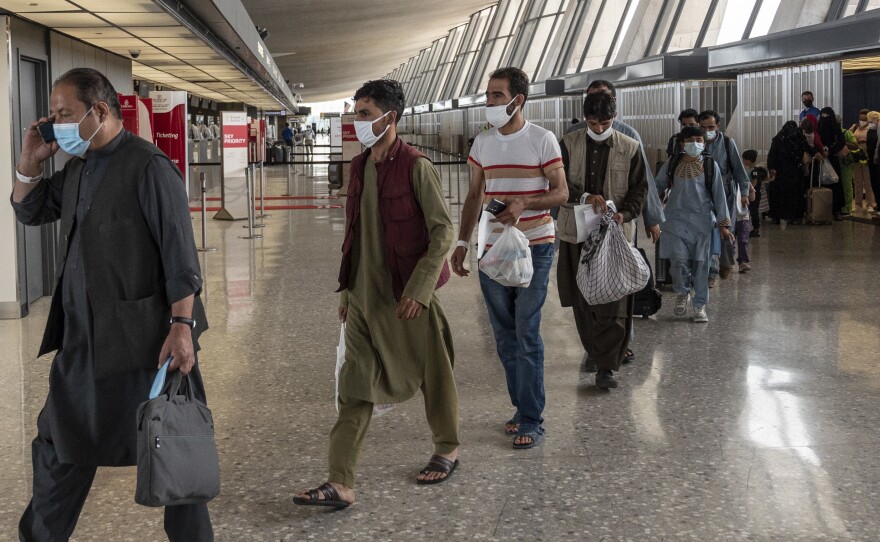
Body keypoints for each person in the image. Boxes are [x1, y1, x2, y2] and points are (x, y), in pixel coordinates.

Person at [11, 68, 212, 541]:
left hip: (147, 346)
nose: (56, 125)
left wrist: (182, 326)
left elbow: (180, 254)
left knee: (173, 448)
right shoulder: (80, 167)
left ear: (99, 111)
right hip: (83, 344)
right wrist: (29, 161)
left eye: (65, 115)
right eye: (53, 116)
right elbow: (30, 208)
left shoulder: (149, 166)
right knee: (60, 445)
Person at [293, 79, 459, 508]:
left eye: (365, 114)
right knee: (354, 384)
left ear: (391, 117)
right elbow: (354, 235)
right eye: (356, 113)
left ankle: (447, 447)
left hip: (407, 295)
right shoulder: (359, 166)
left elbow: (443, 232)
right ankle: (340, 481)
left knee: (434, 375)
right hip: (364, 297)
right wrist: (346, 293)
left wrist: (421, 289)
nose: (357, 122)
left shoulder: (416, 166)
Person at [451, 67, 567, 449]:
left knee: (526, 330)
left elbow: (561, 192)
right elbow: (474, 197)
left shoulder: (542, 139)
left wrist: (524, 202)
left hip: (535, 245)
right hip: (492, 249)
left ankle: (533, 418)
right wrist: (463, 243)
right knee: (504, 335)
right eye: (488, 95)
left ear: (518, 99)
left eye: (497, 96)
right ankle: (521, 407)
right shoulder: (482, 143)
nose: (490, 102)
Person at [564, 79, 663, 370]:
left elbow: (642, 186)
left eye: (604, 121)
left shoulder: (629, 139)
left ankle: (616, 351)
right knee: (582, 294)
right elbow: (559, 185)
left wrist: (647, 218)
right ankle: (597, 349)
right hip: (579, 232)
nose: (598, 128)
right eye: (592, 122)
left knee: (617, 293)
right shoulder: (570, 139)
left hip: (617, 232)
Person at [655, 126, 732, 323]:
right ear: (682, 143)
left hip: (703, 224)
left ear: (704, 142)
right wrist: (651, 216)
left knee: (702, 265)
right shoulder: (671, 163)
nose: (695, 143)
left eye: (699, 139)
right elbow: (656, 188)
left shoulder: (709, 165)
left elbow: (719, 195)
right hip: (674, 222)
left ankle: (699, 306)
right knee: (678, 262)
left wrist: (723, 224)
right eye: (690, 140)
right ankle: (682, 294)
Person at [698, 110, 750, 282]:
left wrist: (744, 193)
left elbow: (739, 172)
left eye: (711, 127)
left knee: (726, 230)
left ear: (718, 126)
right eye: (703, 128)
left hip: (726, 196)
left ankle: (726, 262)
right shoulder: (696, 144)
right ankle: (711, 271)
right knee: (709, 231)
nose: (707, 131)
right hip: (704, 197)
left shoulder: (728, 143)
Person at [767, 121, 817, 224]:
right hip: (795, 171)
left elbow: (771, 155)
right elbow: (808, 148)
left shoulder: (778, 139)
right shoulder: (798, 138)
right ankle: (794, 216)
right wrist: (816, 153)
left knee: (779, 194)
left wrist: (771, 168)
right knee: (795, 194)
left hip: (780, 172)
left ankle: (778, 216)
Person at [817, 107, 847, 220]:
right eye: (822, 115)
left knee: (836, 184)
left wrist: (830, 149)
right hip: (820, 159)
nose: (824, 118)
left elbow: (841, 141)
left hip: (833, 159)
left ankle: (837, 210)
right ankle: (821, 209)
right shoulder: (818, 127)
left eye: (827, 115)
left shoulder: (836, 129)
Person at [849, 109, 876, 212]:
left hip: (867, 158)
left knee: (868, 182)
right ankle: (858, 204)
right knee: (857, 182)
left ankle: (871, 203)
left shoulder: (871, 128)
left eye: (864, 119)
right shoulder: (855, 127)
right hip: (856, 158)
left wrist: (866, 141)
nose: (862, 121)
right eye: (861, 119)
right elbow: (848, 136)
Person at [742, 149, 761, 237]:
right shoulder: (749, 170)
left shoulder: (754, 171)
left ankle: (756, 228)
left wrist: (750, 190)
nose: (744, 161)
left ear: (749, 160)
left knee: (754, 211)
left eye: (745, 159)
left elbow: (755, 181)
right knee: (750, 211)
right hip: (750, 194)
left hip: (754, 194)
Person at [868, 111, 880, 213]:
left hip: (876, 159)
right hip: (872, 160)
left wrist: (876, 155)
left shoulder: (877, 130)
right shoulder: (870, 131)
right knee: (874, 182)